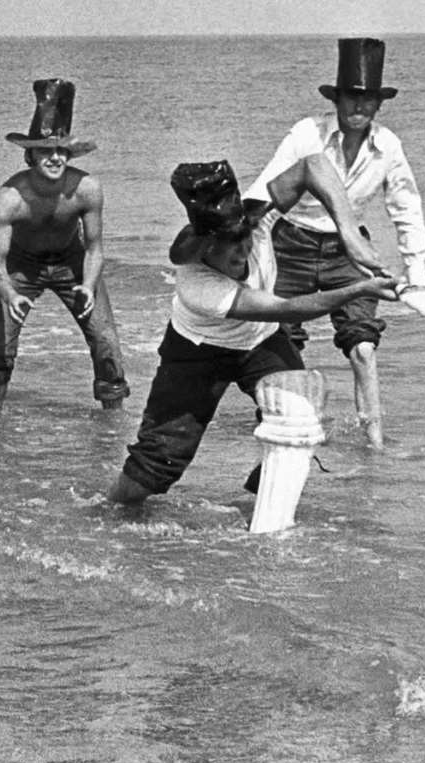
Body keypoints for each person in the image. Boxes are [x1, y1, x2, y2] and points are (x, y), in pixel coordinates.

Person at [109, 158, 395, 507]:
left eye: (245, 241)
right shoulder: (198, 286)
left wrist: (348, 233)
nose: (245, 254)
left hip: (261, 339)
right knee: (156, 466)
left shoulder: (259, 221)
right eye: (233, 252)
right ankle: (107, 510)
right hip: (197, 353)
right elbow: (284, 309)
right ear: (207, 252)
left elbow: (313, 166)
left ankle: (263, 500)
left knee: (300, 420)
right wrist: (357, 288)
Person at [243, 37, 425, 447]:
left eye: (367, 101)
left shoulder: (388, 147)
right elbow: (265, 191)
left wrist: (415, 273)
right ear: (337, 100)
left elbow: (406, 207)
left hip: (349, 251)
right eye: (351, 98)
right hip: (291, 243)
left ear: (379, 105)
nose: (358, 108)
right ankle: (278, 434)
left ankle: (374, 444)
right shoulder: (306, 134)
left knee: (362, 346)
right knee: (280, 345)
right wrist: (248, 248)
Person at [0, 78, 128, 411]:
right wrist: (11, 295)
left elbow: (94, 249)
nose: (54, 158)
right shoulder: (10, 198)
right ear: (31, 156)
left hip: (72, 261)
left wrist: (89, 286)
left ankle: (112, 431)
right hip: (21, 266)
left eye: (60, 151)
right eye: (45, 152)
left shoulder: (87, 189)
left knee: (105, 341)